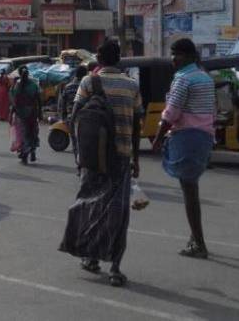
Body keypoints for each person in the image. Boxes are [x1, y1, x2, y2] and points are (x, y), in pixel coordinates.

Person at [59, 39, 142, 287]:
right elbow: (137, 124)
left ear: (99, 58)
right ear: (118, 59)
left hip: (92, 158)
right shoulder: (132, 86)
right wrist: (136, 158)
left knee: (90, 207)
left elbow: (74, 118)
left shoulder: (88, 82)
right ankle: (115, 268)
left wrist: (78, 155)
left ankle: (91, 257)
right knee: (118, 213)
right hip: (121, 156)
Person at [153, 38, 215, 260]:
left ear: (188, 56)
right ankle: (195, 237)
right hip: (203, 137)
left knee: (189, 192)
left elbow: (172, 112)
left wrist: (158, 138)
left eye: (177, 54)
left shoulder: (184, 78)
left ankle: (199, 243)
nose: (173, 58)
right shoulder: (204, 76)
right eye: (172, 54)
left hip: (187, 137)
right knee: (192, 189)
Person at [9, 66, 41, 164]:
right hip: (32, 112)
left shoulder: (17, 85)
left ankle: (24, 156)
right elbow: (39, 100)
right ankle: (32, 151)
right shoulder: (34, 84)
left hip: (21, 113)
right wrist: (40, 113)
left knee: (23, 134)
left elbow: (15, 101)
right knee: (33, 132)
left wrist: (11, 113)